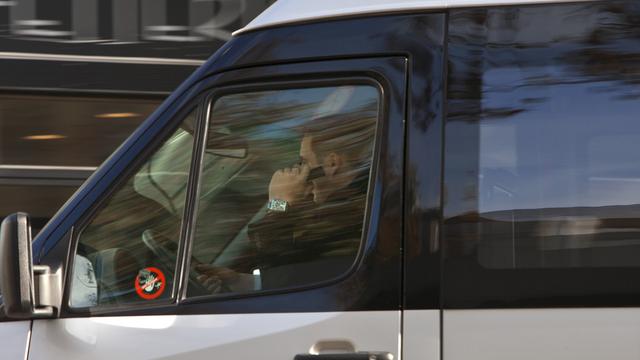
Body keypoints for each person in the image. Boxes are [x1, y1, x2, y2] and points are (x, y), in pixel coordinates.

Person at [195, 112, 376, 294]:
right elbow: (296, 276)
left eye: (304, 161)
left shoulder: (345, 215)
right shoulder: (350, 206)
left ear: (331, 163)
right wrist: (239, 281)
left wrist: (279, 202)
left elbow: (279, 270)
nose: (299, 168)